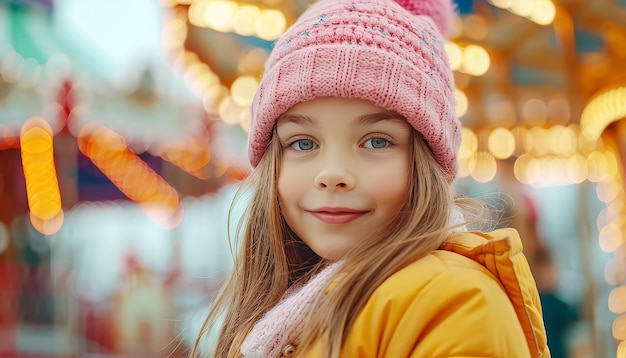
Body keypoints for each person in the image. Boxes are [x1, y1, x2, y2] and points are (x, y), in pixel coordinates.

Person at [192, 0, 550, 357]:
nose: (332, 174)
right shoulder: (279, 317)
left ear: (424, 161)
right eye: (302, 143)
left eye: (376, 141)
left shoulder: (455, 304)